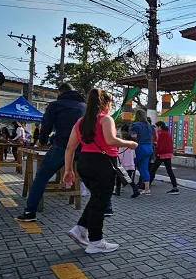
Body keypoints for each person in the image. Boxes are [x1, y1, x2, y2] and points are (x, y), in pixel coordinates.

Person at [63, 89, 137, 253]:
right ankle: (96, 241)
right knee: (101, 202)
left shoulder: (80, 122)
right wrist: (130, 144)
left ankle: (80, 229)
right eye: (110, 103)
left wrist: (68, 170)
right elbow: (111, 140)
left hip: (84, 162)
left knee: (97, 198)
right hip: (103, 163)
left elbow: (69, 148)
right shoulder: (106, 119)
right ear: (105, 103)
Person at [15, 83, 86, 222]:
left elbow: (46, 126)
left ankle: (30, 212)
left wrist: (41, 142)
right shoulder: (85, 107)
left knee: (41, 177)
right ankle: (107, 208)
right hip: (82, 147)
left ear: (60, 92)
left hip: (62, 147)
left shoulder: (55, 105)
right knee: (89, 178)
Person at [149, 121, 179, 194]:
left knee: (153, 170)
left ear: (160, 126)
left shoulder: (162, 134)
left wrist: (156, 149)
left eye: (156, 127)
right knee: (169, 170)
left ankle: (147, 185)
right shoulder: (167, 133)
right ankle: (175, 187)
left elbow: (161, 146)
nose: (156, 129)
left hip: (162, 154)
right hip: (167, 154)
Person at [129, 109, 154, 195]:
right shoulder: (150, 126)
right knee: (144, 168)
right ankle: (147, 189)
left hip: (139, 147)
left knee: (129, 166)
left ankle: (120, 185)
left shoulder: (135, 125)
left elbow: (134, 136)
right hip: (149, 148)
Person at [113, 132, 139, 198]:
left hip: (123, 165)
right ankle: (134, 189)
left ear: (124, 138)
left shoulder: (122, 145)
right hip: (130, 164)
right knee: (128, 179)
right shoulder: (132, 145)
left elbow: (120, 156)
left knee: (119, 177)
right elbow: (134, 156)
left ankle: (118, 191)